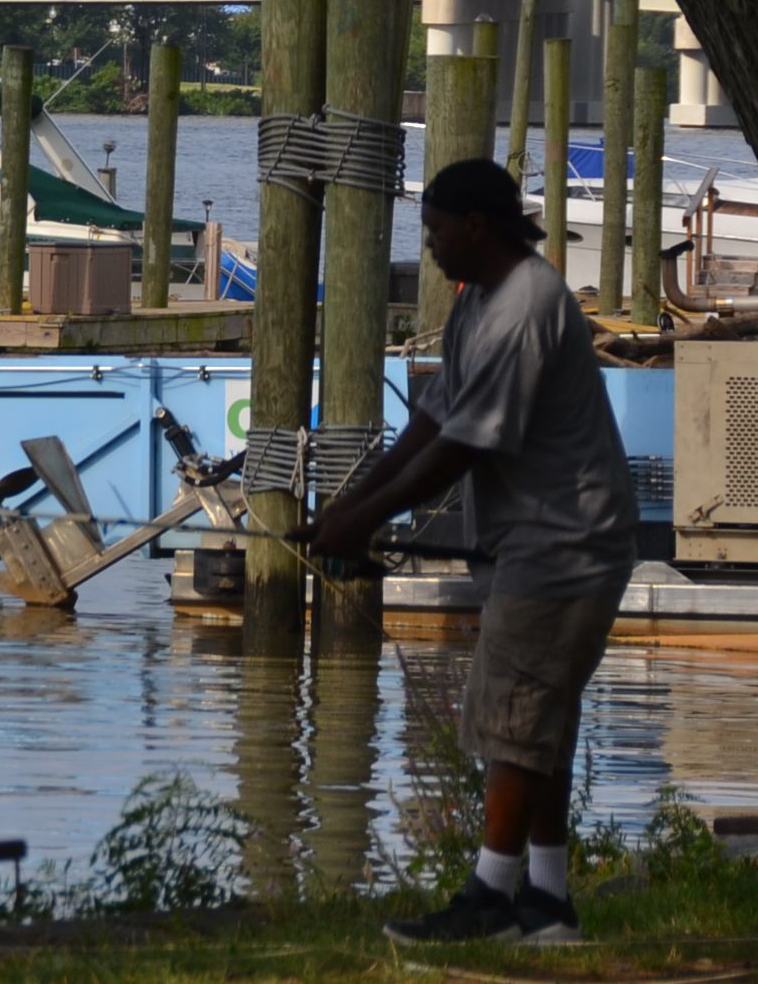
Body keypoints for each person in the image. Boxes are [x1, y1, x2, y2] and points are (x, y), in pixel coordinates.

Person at [302, 157, 636, 945]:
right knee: (538, 716)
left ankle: (490, 898)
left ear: (477, 226)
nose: (432, 244)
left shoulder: (527, 305)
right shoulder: (478, 302)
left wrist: (368, 521)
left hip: (567, 539)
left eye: (437, 229)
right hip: (541, 535)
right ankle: (547, 904)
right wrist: (350, 505)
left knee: (512, 716)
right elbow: (432, 416)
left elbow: (465, 446)